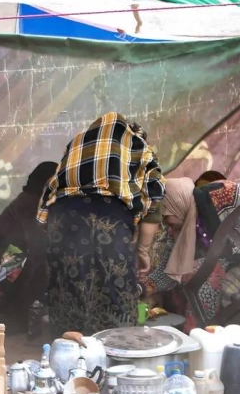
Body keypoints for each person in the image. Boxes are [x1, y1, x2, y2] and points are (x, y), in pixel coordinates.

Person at [38, 113, 165, 336]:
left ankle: (69, 350)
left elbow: (50, 191)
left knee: (68, 289)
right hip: (109, 220)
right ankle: (115, 350)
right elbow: (153, 201)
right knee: (114, 291)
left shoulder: (77, 145)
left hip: (62, 221)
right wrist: (143, 250)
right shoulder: (138, 147)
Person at [0, 161, 57, 332]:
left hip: (12, 253)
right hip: (2, 257)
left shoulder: (36, 200)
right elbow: (29, 243)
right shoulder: (30, 202)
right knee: (31, 261)